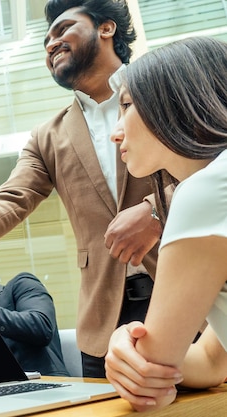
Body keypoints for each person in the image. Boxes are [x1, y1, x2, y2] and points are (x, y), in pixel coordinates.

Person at [0, 0, 164, 378]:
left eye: (63, 29)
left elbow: (215, 167)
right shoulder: (48, 136)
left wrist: (156, 211)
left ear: (107, 28)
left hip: (187, 294)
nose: (51, 43)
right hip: (104, 319)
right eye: (46, 39)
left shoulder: (166, 87)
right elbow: (10, 198)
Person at [103, 36, 227, 412]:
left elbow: (155, 370)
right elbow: (211, 361)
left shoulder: (207, 190)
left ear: (175, 100)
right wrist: (130, 343)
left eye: (126, 105)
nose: (116, 131)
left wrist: (129, 351)